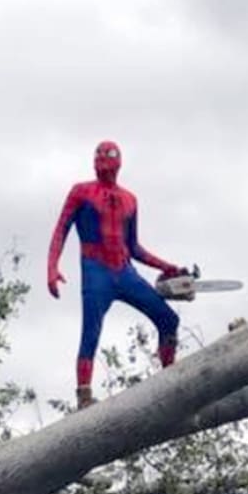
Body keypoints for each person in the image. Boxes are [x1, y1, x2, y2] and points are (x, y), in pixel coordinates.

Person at [47, 140, 185, 409]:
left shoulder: (129, 199)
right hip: (96, 272)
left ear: (118, 162)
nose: (101, 159)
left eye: (107, 155)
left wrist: (167, 267)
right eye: (97, 155)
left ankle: (170, 377)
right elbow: (61, 228)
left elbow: (133, 246)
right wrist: (52, 267)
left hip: (124, 271)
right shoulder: (81, 192)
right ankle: (84, 396)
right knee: (90, 333)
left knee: (168, 318)